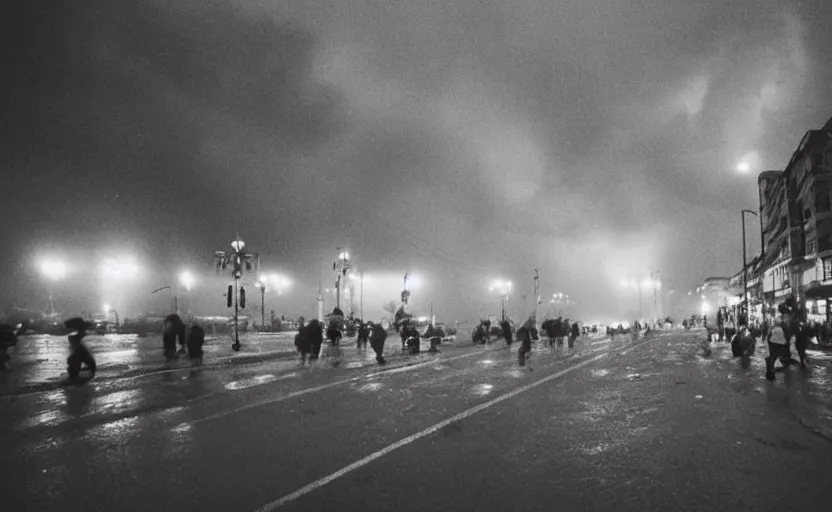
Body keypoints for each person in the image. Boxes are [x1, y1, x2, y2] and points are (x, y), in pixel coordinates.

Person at [64, 317, 96, 381]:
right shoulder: (74, 338)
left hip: (88, 368)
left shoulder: (74, 339)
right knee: (73, 359)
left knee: (73, 359)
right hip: (88, 367)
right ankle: (74, 375)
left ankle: (74, 376)